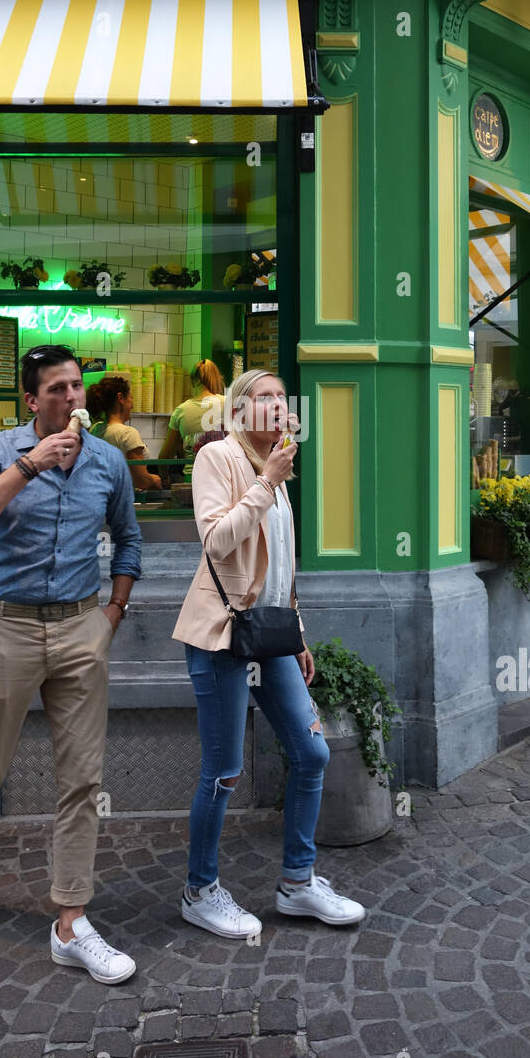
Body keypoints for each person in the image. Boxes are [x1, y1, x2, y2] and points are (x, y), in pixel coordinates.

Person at [0, 344, 142, 985]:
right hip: (7, 628)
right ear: (32, 401)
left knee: (81, 777)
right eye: (57, 390)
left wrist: (111, 613)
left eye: (77, 387)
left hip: (82, 626)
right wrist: (30, 465)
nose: (72, 399)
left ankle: (71, 922)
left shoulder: (109, 459)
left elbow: (130, 539)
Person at [171, 368, 365, 939]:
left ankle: (298, 884)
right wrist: (265, 482)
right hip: (221, 636)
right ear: (238, 410)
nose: (278, 405)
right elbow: (216, 539)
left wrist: (296, 631)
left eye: (283, 397)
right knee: (224, 771)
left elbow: (278, 563)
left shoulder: (275, 467)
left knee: (312, 754)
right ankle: (199, 890)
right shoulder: (220, 458)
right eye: (264, 397)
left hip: (269, 635)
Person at [86, 375, 163, 492]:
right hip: (122, 501)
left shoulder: (95, 429)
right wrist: (154, 479)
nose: (132, 405)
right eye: (131, 398)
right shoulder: (127, 434)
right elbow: (141, 481)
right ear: (120, 398)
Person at [159, 360, 226, 481]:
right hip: (223, 476)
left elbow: (165, 456)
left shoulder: (181, 411)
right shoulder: (229, 404)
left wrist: (164, 478)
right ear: (217, 379)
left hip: (193, 479)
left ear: (193, 381)